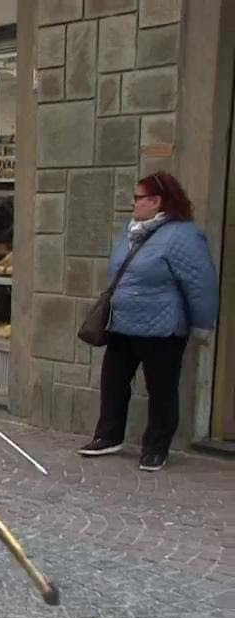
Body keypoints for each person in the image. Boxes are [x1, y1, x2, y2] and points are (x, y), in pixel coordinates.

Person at [78, 171, 219, 471]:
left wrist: (202, 325)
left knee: (162, 388)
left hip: (162, 326)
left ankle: (156, 448)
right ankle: (108, 435)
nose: (133, 203)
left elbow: (200, 282)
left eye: (138, 198)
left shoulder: (183, 235)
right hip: (122, 324)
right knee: (113, 381)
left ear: (157, 201)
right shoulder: (132, 231)